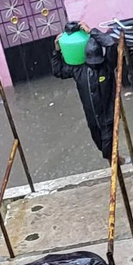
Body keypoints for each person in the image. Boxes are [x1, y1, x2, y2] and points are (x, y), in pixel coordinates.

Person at [51, 25, 118, 162]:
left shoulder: (107, 66)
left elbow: (110, 43)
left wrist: (92, 31)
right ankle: (116, 162)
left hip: (108, 115)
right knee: (100, 145)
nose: (95, 64)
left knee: (108, 148)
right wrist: (57, 51)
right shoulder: (78, 70)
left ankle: (116, 167)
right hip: (92, 117)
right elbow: (58, 71)